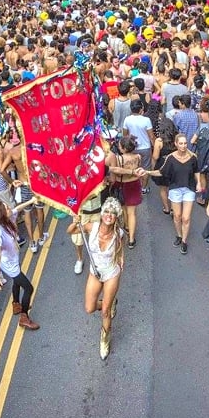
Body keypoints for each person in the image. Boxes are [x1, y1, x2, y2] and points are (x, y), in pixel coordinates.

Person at [67, 197, 124, 360]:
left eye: (113, 213)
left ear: (116, 216)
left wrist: (121, 259)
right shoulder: (92, 227)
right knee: (90, 308)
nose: (109, 215)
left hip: (111, 273)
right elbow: (71, 231)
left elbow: (121, 247)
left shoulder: (118, 233)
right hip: (95, 272)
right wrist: (75, 222)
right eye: (106, 211)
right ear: (102, 213)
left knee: (105, 312)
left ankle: (104, 341)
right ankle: (109, 302)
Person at [142, 133, 201, 255]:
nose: (183, 146)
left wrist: (199, 182)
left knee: (186, 218)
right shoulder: (170, 158)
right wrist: (147, 172)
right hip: (175, 189)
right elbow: (161, 172)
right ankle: (179, 235)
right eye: (181, 143)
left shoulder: (193, 157)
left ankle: (184, 241)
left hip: (189, 189)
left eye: (185, 143)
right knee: (177, 216)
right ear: (176, 144)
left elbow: (196, 171)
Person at [0, 201, 39, 330]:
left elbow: (18, 208)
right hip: (9, 265)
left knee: (16, 282)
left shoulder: (8, 218)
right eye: (7, 208)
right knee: (29, 288)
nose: (9, 208)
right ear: (2, 215)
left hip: (13, 258)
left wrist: (31, 201)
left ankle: (16, 304)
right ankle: (24, 317)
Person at [106, 136, 142, 248]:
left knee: (124, 209)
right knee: (132, 213)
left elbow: (107, 165)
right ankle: (131, 239)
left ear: (123, 148)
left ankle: (126, 226)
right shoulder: (138, 157)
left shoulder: (118, 159)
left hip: (121, 185)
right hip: (134, 185)